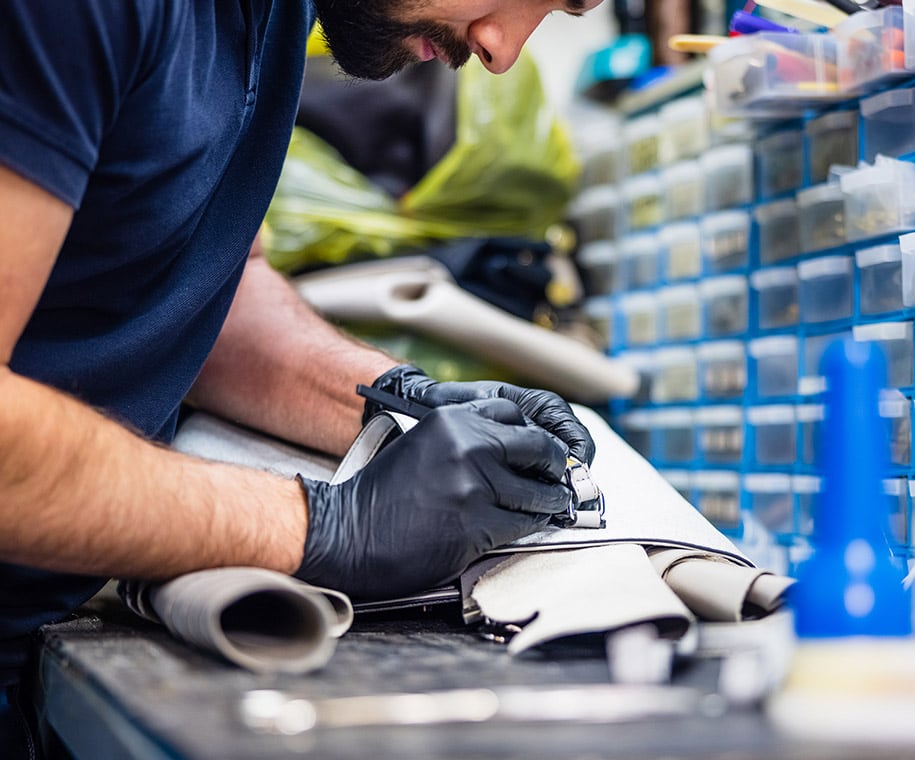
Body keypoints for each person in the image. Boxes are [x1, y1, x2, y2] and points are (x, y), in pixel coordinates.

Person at [0, 0, 603, 754]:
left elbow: (207, 279)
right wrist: (324, 526)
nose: (502, 48)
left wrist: (401, 397)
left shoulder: (274, 21)